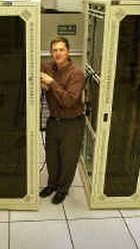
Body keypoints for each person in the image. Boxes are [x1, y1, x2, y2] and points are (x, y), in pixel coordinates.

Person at [39, 36, 85, 204]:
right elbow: (33, 71)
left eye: (61, 50)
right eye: (55, 50)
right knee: (52, 156)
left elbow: (68, 101)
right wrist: (39, 82)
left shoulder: (77, 73)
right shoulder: (47, 67)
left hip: (72, 122)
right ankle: (52, 184)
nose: (58, 53)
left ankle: (62, 189)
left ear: (68, 52)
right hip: (54, 121)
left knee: (68, 159)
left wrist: (52, 83)